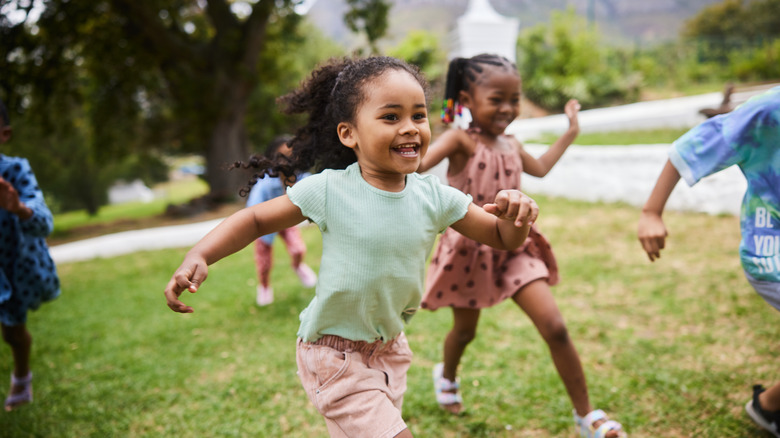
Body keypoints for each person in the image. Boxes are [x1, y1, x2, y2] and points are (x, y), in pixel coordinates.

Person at [163, 56, 540, 438]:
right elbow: (256, 219)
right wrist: (200, 254)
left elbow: (500, 237)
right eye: (391, 117)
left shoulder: (435, 196)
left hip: (390, 349)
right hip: (333, 355)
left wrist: (517, 219)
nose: (410, 129)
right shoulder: (330, 190)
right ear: (349, 133)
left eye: (418, 116)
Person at [417, 54, 624, 438]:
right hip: (469, 252)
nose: (508, 108)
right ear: (467, 98)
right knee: (464, 333)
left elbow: (541, 167)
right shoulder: (459, 139)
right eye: (497, 99)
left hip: (516, 247)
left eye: (514, 99)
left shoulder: (511, 143)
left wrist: (571, 131)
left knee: (556, 327)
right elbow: (417, 165)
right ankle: (446, 376)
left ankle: (586, 415)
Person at [638, 86, 780, 437]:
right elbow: (692, 147)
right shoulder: (768, 111)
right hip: (771, 249)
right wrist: (651, 211)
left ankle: (770, 407)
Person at [0, 98, 61, 411]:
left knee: (12, 332)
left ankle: (22, 375)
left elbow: (44, 221)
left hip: (13, 267)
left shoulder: (15, 170)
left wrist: (18, 208)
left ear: (4, 134)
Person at [246, 135, 317, 306]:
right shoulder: (265, 182)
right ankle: (264, 287)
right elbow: (252, 208)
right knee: (264, 262)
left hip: (286, 223)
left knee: (298, 250)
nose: (288, 160)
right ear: (273, 159)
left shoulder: (303, 179)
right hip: (264, 226)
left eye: (292, 154)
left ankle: (298, 266)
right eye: (282, 156)